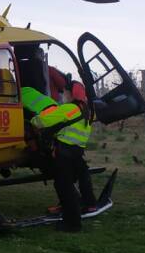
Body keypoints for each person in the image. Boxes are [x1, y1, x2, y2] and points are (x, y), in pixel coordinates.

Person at [29, 80, 96, 232]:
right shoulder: (87, 110)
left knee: (64, 188)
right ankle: (88, 204)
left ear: (71, 94)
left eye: (64, 91)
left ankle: (72, 223)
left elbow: (43, 121)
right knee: (76, 180)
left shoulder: (69, 109)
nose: (62, 94)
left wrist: (32, 121)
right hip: (77, 152)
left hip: (64, 154)